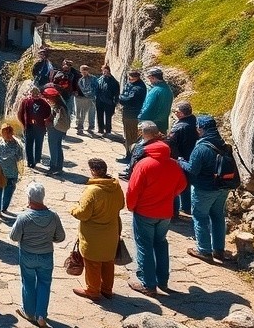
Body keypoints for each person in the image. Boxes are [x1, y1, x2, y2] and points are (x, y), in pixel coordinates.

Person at [126, 139, 187, 295]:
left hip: (145, 212)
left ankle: (148, 284)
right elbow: (182, 185)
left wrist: (131, 206)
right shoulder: (174, 165)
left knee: (144, 246)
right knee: (160, 244)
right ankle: (163, 281)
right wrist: (169, 195)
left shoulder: (144, 164)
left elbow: (133, 190)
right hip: (165, 213)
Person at [10, 182, 66, 327]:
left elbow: (14, 237)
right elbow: (60, 237)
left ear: (29, 198)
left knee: (28, 282)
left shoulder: (23, 217)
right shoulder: (53, 216)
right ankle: (41, 315)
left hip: (28, 254)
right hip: (46, 255)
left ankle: (29, 312)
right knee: (45, 283)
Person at [181, 115, 236, 262]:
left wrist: (180, 162)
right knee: (218, 216)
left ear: (200, 129)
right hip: (223, 187)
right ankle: (219, 250)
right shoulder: (223, 145)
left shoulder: (201, 148)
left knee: (200, 217)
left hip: (204, 188)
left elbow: (192, 169)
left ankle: (204, 250)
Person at [70, 158, 125, 300]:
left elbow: (83, 214)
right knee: (108, 262)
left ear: (94, 171)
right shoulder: (116, 186)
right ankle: (107, 289)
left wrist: (73, 210)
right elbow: (121, 205)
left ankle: (93, 291)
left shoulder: (92, 191)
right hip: (111, 232)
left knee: (93, 263)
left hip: (93, 236)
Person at [166, 102, 198, 218]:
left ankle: (176, 210)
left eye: (177, 112)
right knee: (187, 183)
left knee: (176, 184)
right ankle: (187, 206)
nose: (175, 113)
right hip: (191, 156)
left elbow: (170, 141)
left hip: (180, 157)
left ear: (182, 114)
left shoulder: (180, 126)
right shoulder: (195, 122)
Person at [0, 124, 24, 218]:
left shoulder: (0, 143)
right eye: (3, 133)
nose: (3, 135)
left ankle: (1, 209)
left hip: (6, 171)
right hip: (6, 171)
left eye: (5, 133)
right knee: (3, 190)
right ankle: (0, 209)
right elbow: (19, 157)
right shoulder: (15, 144)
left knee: (4, 190)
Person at [17, 86, 52, 169]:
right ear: (30, 93)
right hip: (29, 127)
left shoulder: (43, 102)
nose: (35, 95)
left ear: (39, 94)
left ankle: (36, 160)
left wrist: (44, 120)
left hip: (39, 127)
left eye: (36, 93)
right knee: (29, 145)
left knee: (38, 144)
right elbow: (20, 114)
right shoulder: (25, 101)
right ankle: (30, 162)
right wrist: (23, 124)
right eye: (33, 93)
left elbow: (49, 113)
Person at [117, 69, 147, 161]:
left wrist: (119, 97)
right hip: (128, 114)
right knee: (128, 135)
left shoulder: (138, 88)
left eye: (130, 78)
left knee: (131, 137)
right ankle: (129, 154)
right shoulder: (131, 84)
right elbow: (124, 94)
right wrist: (122, 96)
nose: (129, 80)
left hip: (132, 115)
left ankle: (129, 157)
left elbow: (128, 100)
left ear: (135, 77)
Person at [139, 67, 173, 137]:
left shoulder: (155, 91)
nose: (150, 81)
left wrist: (140, 117)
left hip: (151, 124)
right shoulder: (168, 89)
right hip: (163, 124)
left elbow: (147, 106)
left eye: (150, 79)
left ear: (153, 77)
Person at [43, 87, 69, 176]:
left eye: (48, 97)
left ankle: (53, 167)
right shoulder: (63, 104)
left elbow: (50, 118)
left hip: (54, 129)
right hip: (61, 129)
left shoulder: (55, 107)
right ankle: (59, 167)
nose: (47, 99)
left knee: (53, 148)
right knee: (58, 147)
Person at [94, 65, 120, 136]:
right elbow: (97, 88)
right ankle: (101, 129)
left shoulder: (113, 81)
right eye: (103, 71)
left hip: (109, 101)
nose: (104, 72)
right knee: (99, 115)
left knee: (108, 116)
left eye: (106, 71)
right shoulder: (100, 79)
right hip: (99, 100)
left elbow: (116, 93)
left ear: (109, 71)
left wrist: (114, 102)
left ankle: (108, 130)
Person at [75, 64, 97, 134]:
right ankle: (80, 127)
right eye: (82, 71)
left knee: (91, 113)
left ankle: (91, 127)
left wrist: (92, 93)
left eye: (85, 71)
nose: (84, 72)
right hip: (84, 99)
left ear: (88, 71)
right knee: (82, 113)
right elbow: (82, 89)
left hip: (92, 98)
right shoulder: (80, 80)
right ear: (80, 71)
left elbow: (96, 87)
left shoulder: (93, 78)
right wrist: (87, 94)